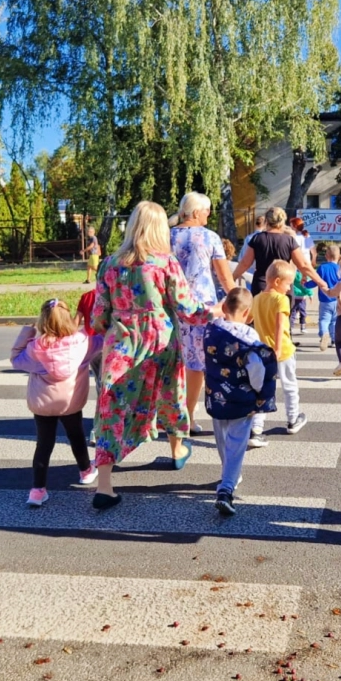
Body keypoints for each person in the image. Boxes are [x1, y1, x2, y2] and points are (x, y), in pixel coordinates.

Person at [91, 201, 222, 509]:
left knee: (110, 408)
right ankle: (177, 451)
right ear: (160, 228)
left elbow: (98, 316)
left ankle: (104, 486)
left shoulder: (109, 264)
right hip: (161, 341)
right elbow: (188, 309)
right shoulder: (165, 263)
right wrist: (215, 312)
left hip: (121, 346)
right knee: (170, 395)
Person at [11, 299, 104, 507]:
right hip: (70, 402)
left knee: (44, 444)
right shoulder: (83, 342)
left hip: (43, 405)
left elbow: (15, 359)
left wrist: (28, 332)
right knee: (77, 436)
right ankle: (86, 471)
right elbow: (103, 339)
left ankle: (37, 491)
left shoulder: (36, 348)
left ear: (42, 322)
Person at [204, 288, 278, 515]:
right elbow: (256, 369)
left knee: (222, 440)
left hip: (216, 398)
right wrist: (258, 392)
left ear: (224, 308)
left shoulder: (212, 331)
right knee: (237, 444)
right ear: (248, 314)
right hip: (241, 400)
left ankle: (230, 474)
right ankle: (226, 489)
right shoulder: (248, 337)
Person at [170, 192, 235, 435]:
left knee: (175, 362)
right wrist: (238, 303)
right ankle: (188, 416)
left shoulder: (166, 236)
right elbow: (224, 276)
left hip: (172, 306)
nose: (209, 213)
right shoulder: (209, 237)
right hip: (203, 308)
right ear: (197, 212)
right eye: (207, 209)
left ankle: (168, 413)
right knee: (199, 363)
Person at [251, 260, 308, 441]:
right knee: (290, 385)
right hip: (281, 350)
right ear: (277, 281)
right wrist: (276, 348)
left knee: (263, 389)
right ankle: (293, 419)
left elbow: (251, 321)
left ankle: (256, 428)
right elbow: (280, 326)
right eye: (288, 284)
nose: (289, 288)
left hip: (261, 352)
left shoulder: (257, 298)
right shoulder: (281, 299)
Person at [233, 206, 327, 297]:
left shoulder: (257, 238)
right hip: (283, 287)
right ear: (282, 221)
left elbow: (245, 263)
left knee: (260, 312)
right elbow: (303, 265)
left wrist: (232, 278)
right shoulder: (289, 240)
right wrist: (321, 282)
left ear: (266, 221)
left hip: (261, 286)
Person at [75, 287, 103, 444]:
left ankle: (99, 428)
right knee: (106, 388)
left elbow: (75, 323)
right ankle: (99, 429)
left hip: (92, 347)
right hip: (110, 344)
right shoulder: (116, 291)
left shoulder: (86, 296)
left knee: (100, 385)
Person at [316, 244, 341, 350]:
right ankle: (334, 340)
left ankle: (324, 333)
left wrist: (305, 284)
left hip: (324, 299)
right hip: (337, 299)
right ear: (339, 256)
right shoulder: (340, 269)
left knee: (324, 320)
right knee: (334, 321)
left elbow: (316, 281)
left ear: (326, 256)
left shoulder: (322, 268)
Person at [290, 268, 313, 334]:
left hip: (293, 296)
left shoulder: (292, 274)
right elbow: (306, 287)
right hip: (302, 298)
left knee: (292, 313)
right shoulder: (304, 275)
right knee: (303, 313)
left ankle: (290, 327)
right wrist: (310, 294)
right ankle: (303, 327)